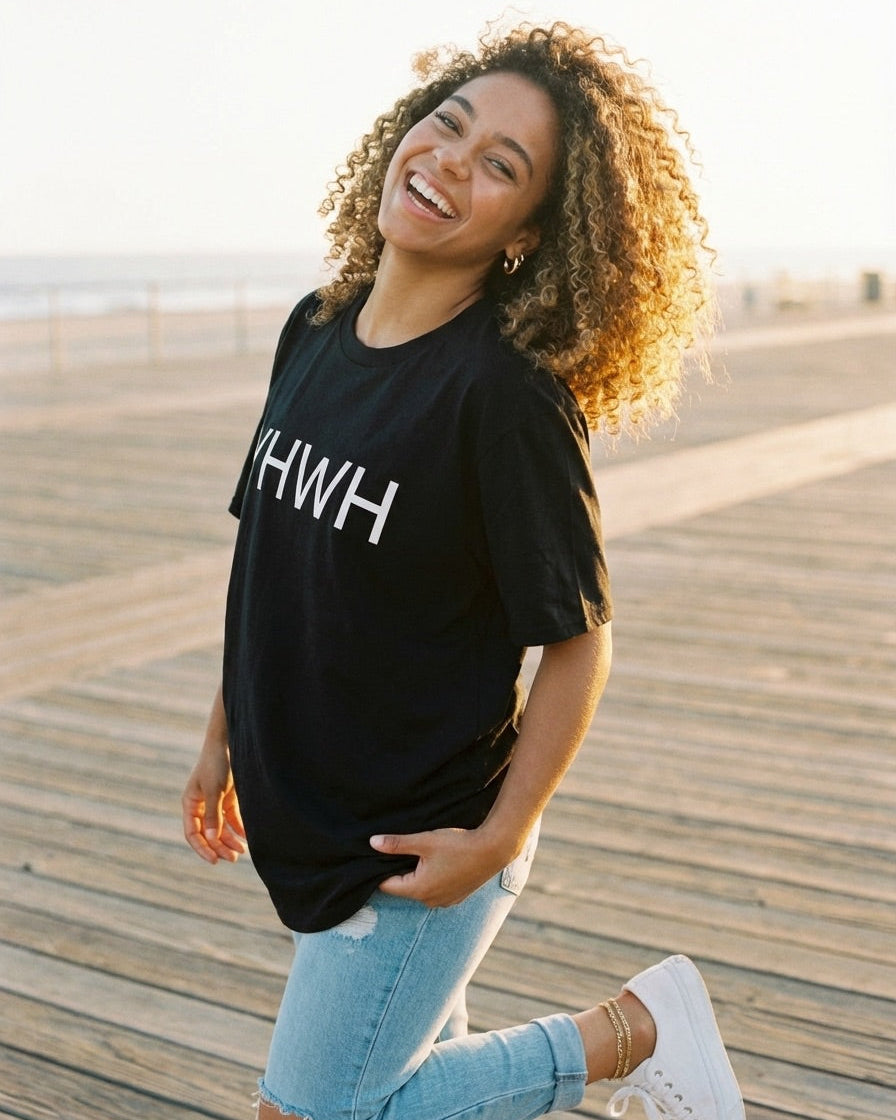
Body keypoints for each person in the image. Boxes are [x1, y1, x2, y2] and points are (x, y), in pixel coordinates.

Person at [182, 19, 743, 1120]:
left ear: (528, 232)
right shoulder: (316, 327)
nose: (448, 161)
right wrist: (221, 735)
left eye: (501, 167)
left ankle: (634, 1031)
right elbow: (272, 563)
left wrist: (498, 836)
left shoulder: (503, 396)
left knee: (317, 1110)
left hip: (419, 837)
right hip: (315, 806)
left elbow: (580, 638)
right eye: (447, 126)